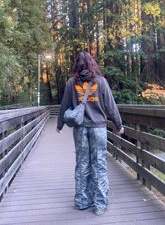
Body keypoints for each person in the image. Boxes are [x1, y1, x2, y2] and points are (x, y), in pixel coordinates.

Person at [56, 51, 124, 216]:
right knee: (99, 164)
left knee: (82, 164)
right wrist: (118, 124)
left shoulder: (72, 83)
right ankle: (100, 204)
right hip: (98, 129)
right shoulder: (101, 82)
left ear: (77, 65)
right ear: (93, 64)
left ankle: (81, 201)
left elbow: (64, 105)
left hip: (80, 129)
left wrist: (60, 125)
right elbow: (110, 105)